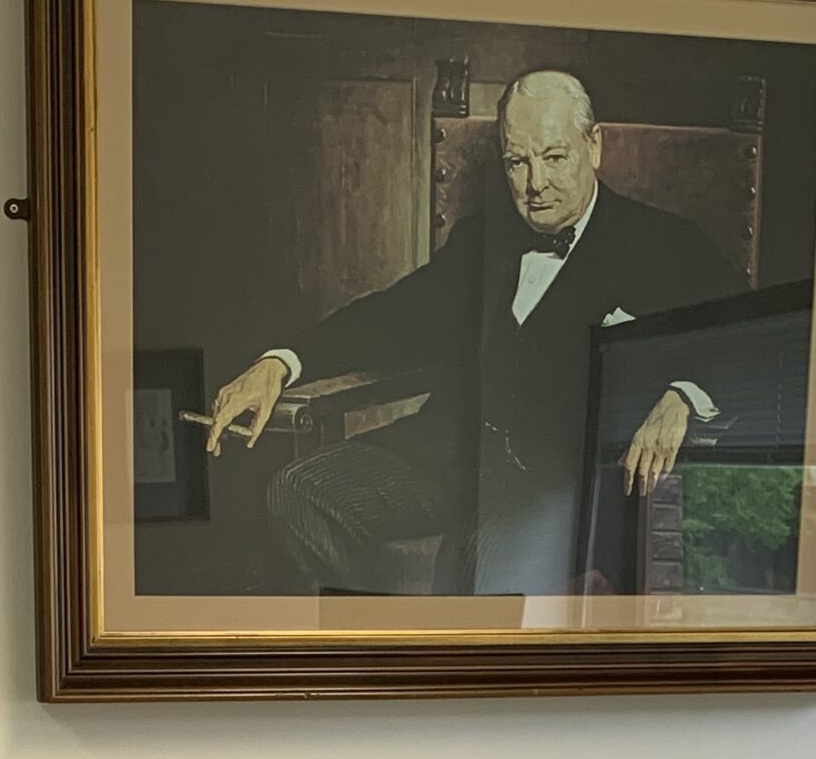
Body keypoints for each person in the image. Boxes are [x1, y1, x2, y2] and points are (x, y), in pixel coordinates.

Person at [204, 69, 742, 594]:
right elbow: (390, 316)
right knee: (296, 493)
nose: (535, 184)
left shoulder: (666, 244)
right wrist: (282, 361)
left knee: (475, 566)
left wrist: (684, 396)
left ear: (593, 146)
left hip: (554, 488)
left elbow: (746, 335)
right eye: (517, 162)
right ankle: (384, 644)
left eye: (554, 158)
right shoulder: (480, 241)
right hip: (447, 455)